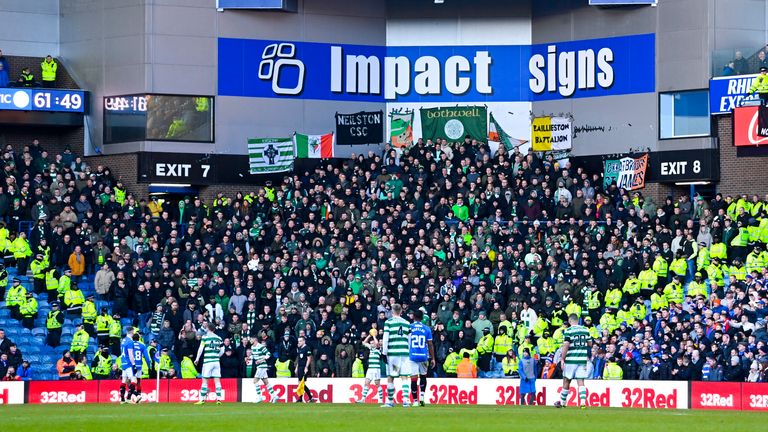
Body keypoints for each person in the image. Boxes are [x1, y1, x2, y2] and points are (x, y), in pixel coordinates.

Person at [555, 314, 592, 409]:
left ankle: (563, 403)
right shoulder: (585, 330)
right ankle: (583, 403)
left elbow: (566, 345)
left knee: (566, 380)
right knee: (581, 381)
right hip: (582, 359)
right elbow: (590, 343)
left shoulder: (568, 331)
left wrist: (562, 359)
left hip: (571, 360)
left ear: (570, 321)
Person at [381, 303, 411, 408]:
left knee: (390, 377)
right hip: (405, 354)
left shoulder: (388, 322)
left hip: (393, 354)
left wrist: (384, 353)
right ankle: (406, 400)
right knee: (405, 377)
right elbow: (409, 339)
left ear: (392, 311)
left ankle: (390, 401)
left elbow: (385, 339)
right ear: (401, 311)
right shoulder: (407, 323)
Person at [408, 309, 434, 407]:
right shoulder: (427, 329)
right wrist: (433, 358)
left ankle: (415, 401)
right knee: (423, 376)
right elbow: (430, 344)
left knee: (413, 379)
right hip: (424, 356)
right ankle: (422, 397)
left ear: (413, 317)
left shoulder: (409, 328)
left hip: (412, 356)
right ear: (422, 318)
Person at [194, 322, 224, 405]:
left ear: (208, 328)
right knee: (217, 380)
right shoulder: (218, 338)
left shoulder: (205, 337)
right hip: (216, 362)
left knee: (205, 380)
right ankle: (218, 399)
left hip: (208, 362)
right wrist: (217, 356)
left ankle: (202, 400)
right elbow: (222, 350)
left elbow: (201, 349)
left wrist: (197, 359)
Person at [356, 333, 385, 403]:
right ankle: (363, 399)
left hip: (376, 369)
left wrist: (374, 336)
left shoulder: (379, 349)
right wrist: (369, 335)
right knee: (366, 383)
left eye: (373, 343)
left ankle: (381, 399)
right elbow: (364, 342)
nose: (371, 344)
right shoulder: (371, 349)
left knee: (377, 384)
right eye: (371, 343)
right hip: (370, 369)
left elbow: (377, 343)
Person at [251, 334, 278, 403]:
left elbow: (268, 354)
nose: (250, 340)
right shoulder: (252, 347)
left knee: (255, 381)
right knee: (266, 382)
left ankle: (259, 397)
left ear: (255, 339)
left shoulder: (261, 346)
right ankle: (274, 396)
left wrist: (261, 360)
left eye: (251, 339)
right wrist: (248, 358)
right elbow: (254, 356)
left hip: (262, 366)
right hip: (259, 366)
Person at [119, 326, 139, 404]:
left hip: (123, 362)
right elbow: (130, 354)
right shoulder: (130, 341)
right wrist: (134, 364)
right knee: (133, 380)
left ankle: (122, 399)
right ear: (131, 332)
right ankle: (128, 397)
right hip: (128, 363)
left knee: (124, 380)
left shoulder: (123, 340)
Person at [294, 335, 316, 403]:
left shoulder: (307, 348)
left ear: (304, 341)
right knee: (300, 383)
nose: (299, 342)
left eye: (300, 341)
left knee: (301, 383)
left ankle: (307, 397)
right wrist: (297, 367)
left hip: (304, 367)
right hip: (300, 367)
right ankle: (307, 397)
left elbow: (309, 359)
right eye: (298, 341)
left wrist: (306, 367)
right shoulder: (300, 348)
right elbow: (299, 359)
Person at [131, 333, 151, 402]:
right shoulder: (142, 345)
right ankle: (138, 396)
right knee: (138, 381)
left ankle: (135, 395)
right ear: (138, 339)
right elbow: (147, 358)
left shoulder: (130, 345)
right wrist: (149, 366)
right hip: (139, 365)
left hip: (131, 365)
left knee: (130, 381)